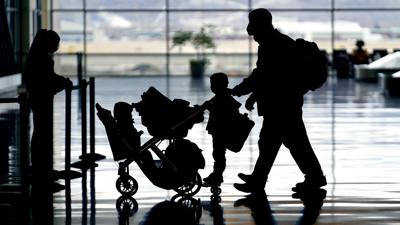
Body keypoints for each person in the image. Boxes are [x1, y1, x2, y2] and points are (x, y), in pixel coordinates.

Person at [230, 8, 326, 193]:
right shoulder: (276, 42)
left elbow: (264, 76)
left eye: (254, 31)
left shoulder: (273, 45)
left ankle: (313, 177)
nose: (253, 36)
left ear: (260, 26)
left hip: (282, 105)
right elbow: (271, 78)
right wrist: (253, 95)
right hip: (284, 102)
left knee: (286, 143)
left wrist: (241, 90)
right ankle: (260, 179)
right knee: (274, 143)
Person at [24, 29, 72, 225]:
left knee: (41, 133)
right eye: (56, 42)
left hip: (38, 98)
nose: (58, 46)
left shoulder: (36, 56)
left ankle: (40, 170)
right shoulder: (43, 59)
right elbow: (47, 78)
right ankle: (40, 172)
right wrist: (64, 81)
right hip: (42, 99)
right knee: (42, 134)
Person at [203, 72, 241, 186]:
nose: (211, 87)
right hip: (220, 131)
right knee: (218, 154)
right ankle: (217, 174)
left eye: (213, 84)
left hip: (221, 132)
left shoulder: (222, 98)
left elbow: (221, 114)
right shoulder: (221, 97)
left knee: (218, 154)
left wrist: (209, 107)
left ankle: (217, 175)